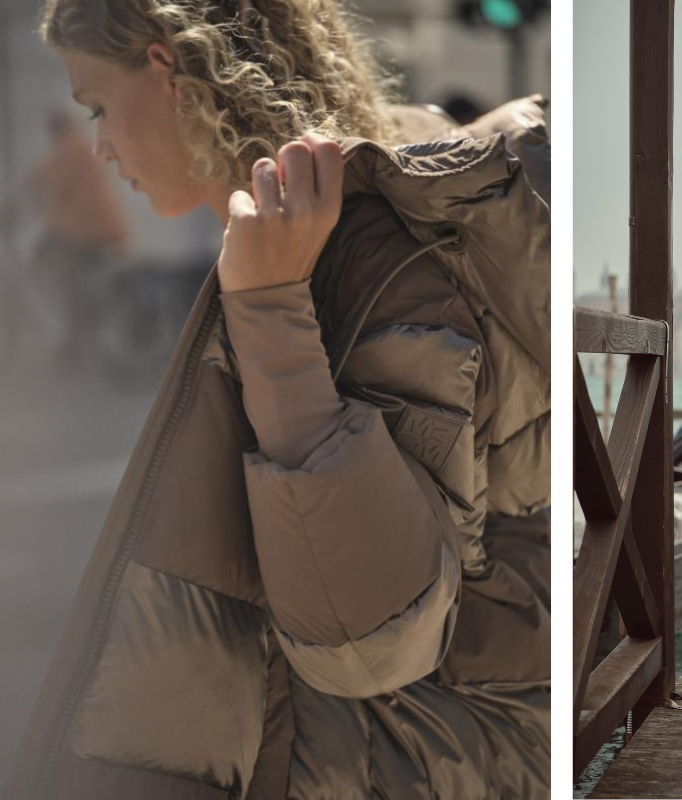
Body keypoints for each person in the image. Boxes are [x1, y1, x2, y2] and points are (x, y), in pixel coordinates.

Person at [15, 0, 551, 795]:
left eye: (97, 107)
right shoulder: (321, 224)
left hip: (386, 760)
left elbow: (372, 640)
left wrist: (270, 312)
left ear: (168, 70)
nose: (100, 146)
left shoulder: (368, 256)